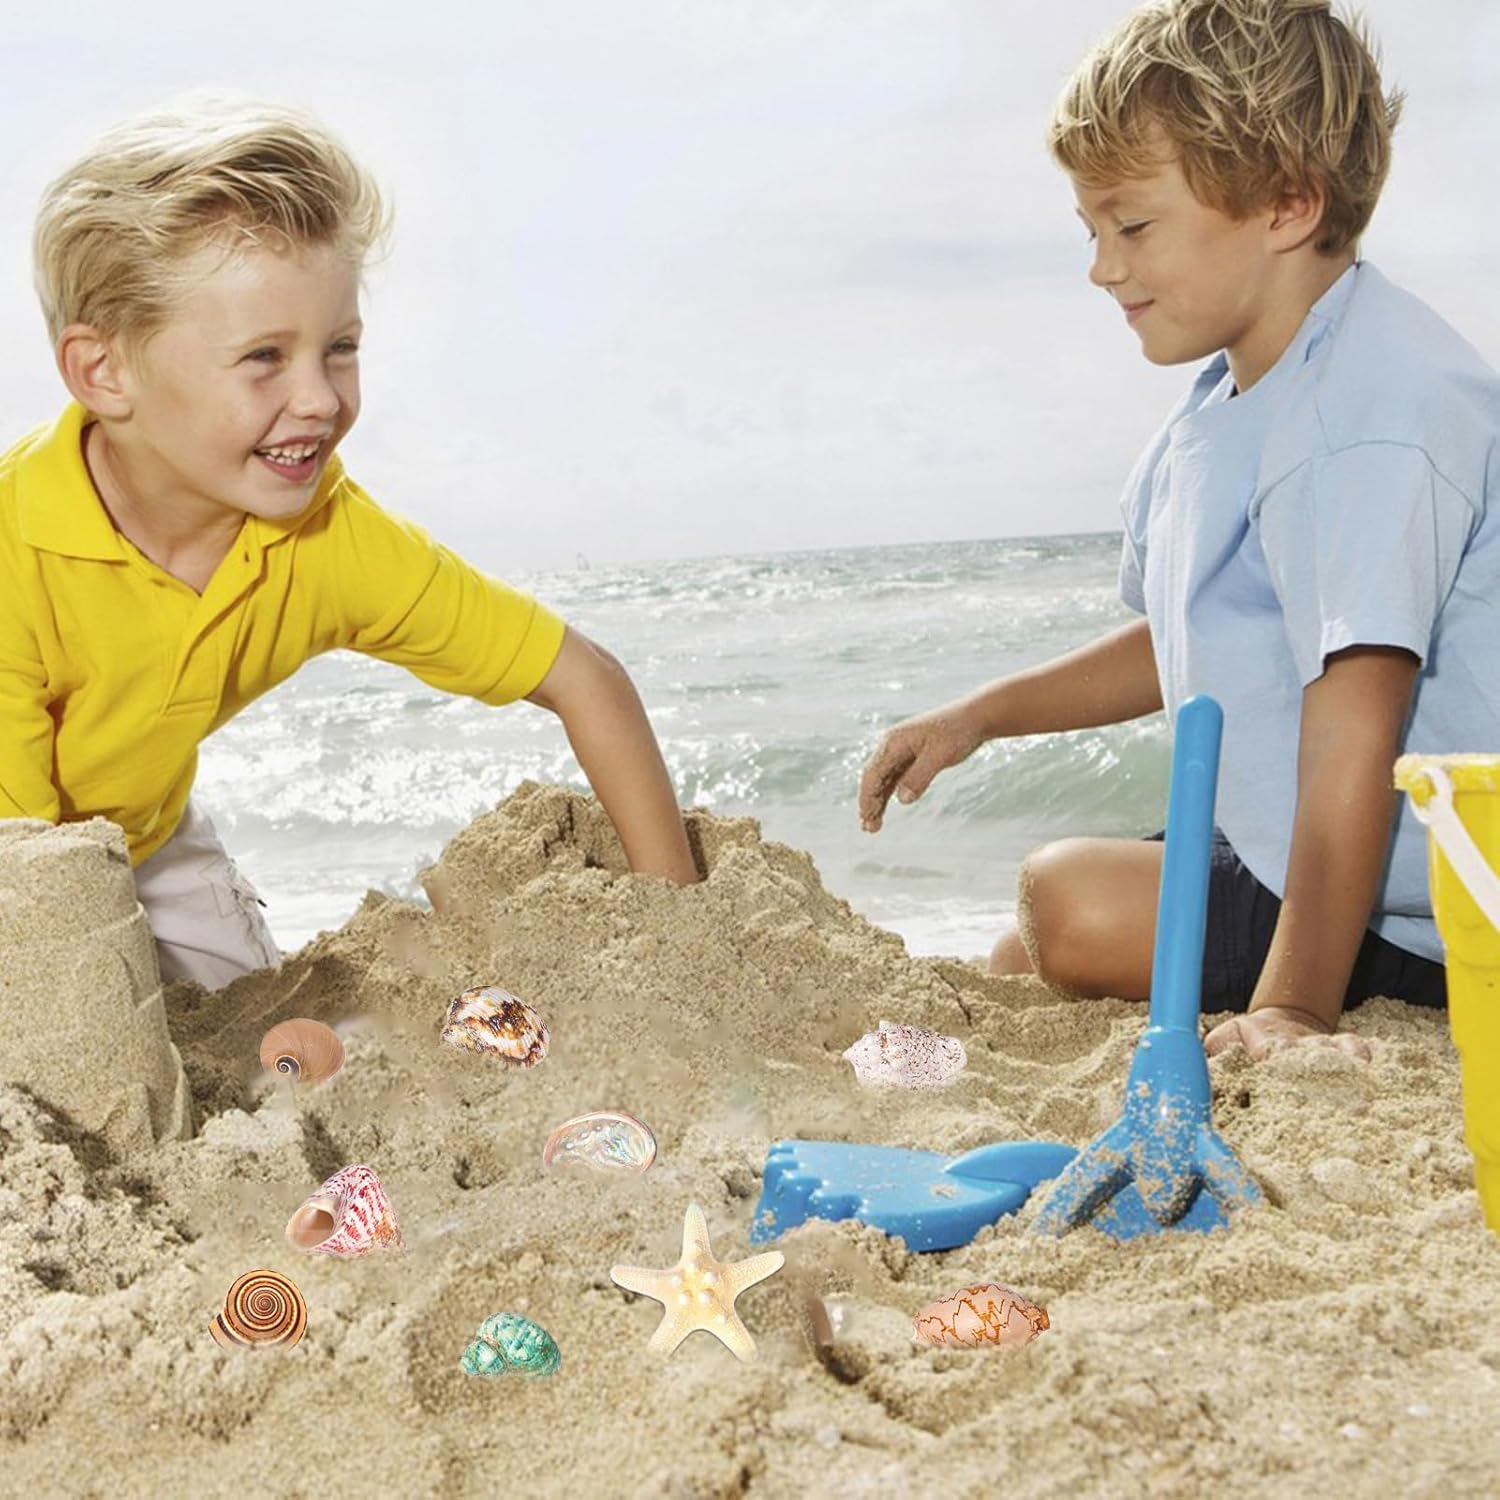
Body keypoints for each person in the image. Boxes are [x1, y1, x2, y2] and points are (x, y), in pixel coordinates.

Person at [859, 0, 1500, 1061]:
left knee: (1065, 901)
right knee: (1020, 949)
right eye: (1092, 231)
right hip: (1288, 842)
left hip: (1426, 900)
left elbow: (1358, 721)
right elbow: (1190, 637)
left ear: (1287, 204)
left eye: (1134, 226)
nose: (1103, 267)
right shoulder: (1227, 401)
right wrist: (983, 715)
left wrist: (1293, 1009)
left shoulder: (1367, 415)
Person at [1, 95, 698, 992]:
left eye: (339, 347)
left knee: (269, 1035)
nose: (322, 399)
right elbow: (30, 892)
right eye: (264, 357)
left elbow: (585, 677)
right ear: (104, 371)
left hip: (149, 836)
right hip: (19, 861)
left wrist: (682, 930)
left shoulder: (329, 537)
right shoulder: (16, 557)